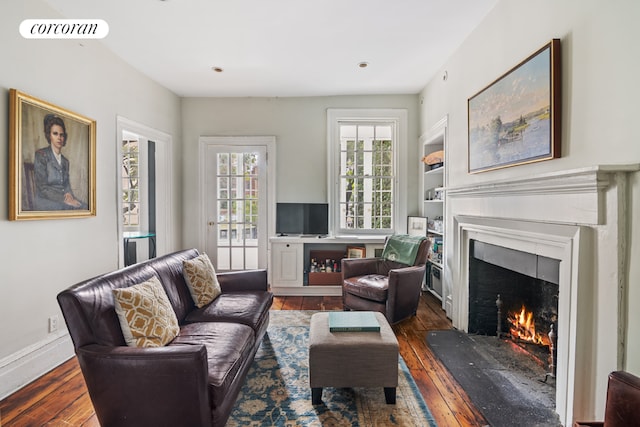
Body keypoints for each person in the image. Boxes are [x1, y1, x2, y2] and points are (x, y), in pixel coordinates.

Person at [33, 114, 86, 210]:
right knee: (71, 208)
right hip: (46, 201)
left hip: (65, 200)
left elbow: (66, 184)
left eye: (61, 135)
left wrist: (69, 194)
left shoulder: (65, 161)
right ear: (49, 135)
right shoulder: (41, 155)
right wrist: (64, 199)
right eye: (55, 134)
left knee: (85, 207)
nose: (59, 138)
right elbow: (42, 188)